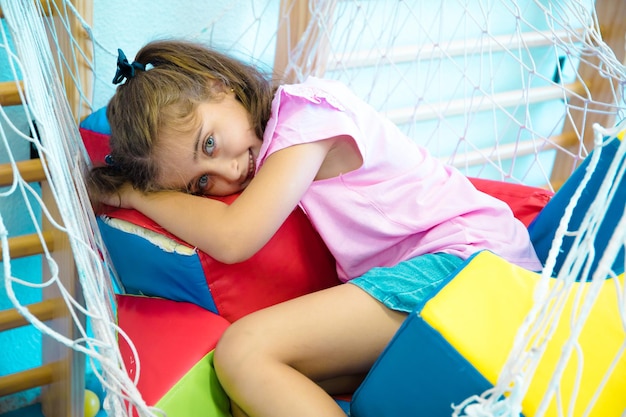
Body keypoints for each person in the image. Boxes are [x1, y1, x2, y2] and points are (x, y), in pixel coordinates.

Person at [88, 40, 542, 417]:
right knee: (249, 395)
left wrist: (135, 196)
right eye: (201, 183)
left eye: (210, 142)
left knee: (244, 351)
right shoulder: (275, 146)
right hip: (426, 281)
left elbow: (234, 237)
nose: (227, 172)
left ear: (219, 86)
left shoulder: (307, 117)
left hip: (471, 263)